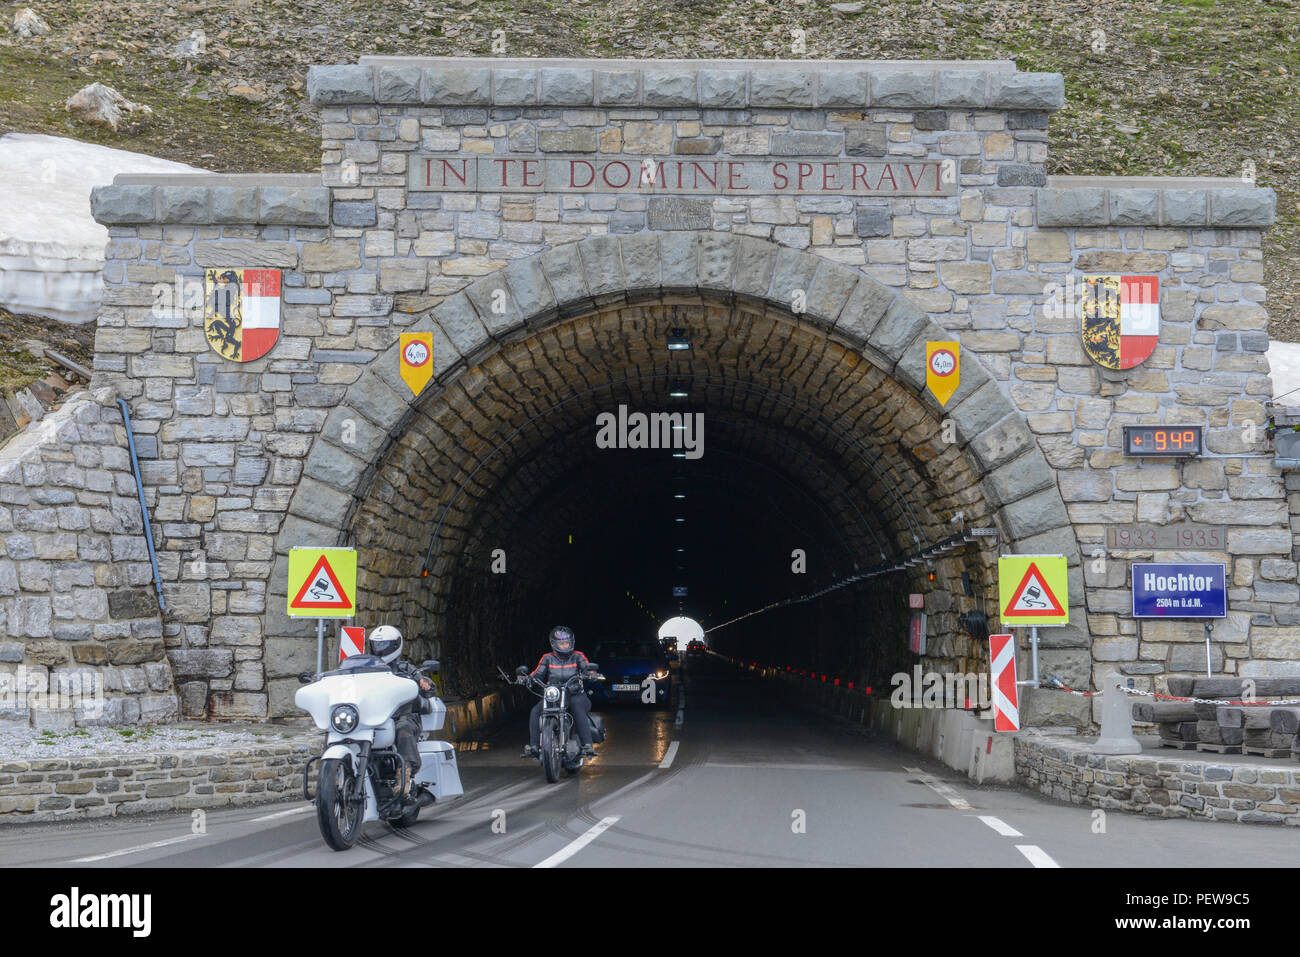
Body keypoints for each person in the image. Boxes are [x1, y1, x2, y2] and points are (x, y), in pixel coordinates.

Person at [370, 625, 435, 806]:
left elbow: (425, 683)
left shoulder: (406, 668)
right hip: (374, 716)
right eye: (376, 645)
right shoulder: (367, 668)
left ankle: (404, 777)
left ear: (396, 646)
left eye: (385, 645)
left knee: (403, 730)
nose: (380, 649)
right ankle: (332, 779)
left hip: (402, 716)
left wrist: (424, 683)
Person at [522, 625, 596, 759]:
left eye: (567, 642)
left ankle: (587, 745)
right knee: (535, 711)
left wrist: (591, 674)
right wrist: (528, 679)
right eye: (561, 643)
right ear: (554, 644)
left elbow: (586, 667)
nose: (565, 645)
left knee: (577, 708)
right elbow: (538, 673)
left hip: (575, 694)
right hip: (555, 695)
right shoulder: (547, 658)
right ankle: (534, 746)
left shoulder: (577, 656)